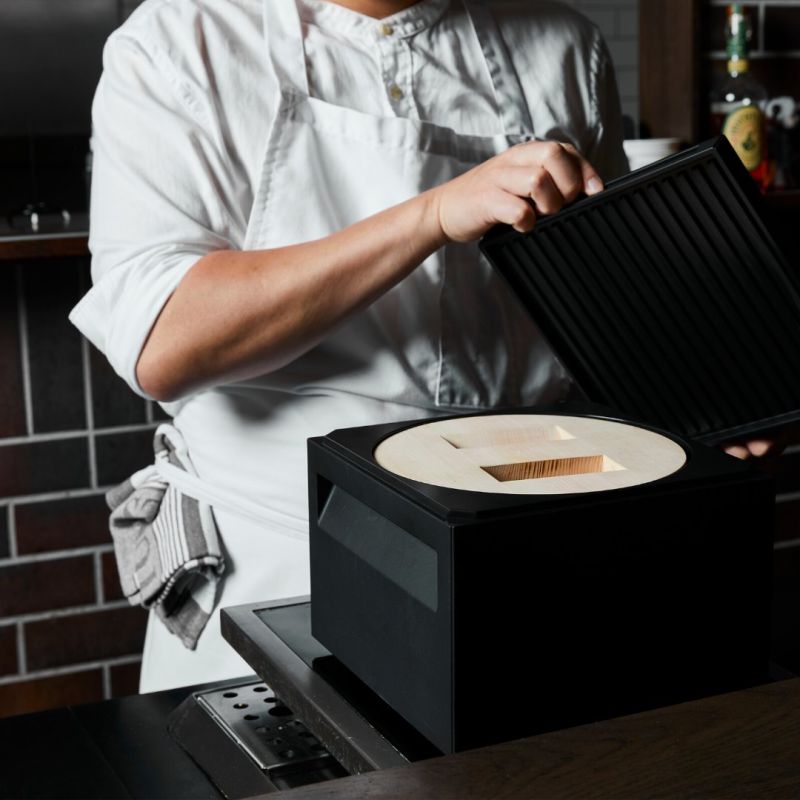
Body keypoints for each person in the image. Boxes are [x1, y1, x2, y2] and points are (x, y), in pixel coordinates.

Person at [70, 0, 776, 693]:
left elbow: (598, 305)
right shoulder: (180, 42)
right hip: (280, 569)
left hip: (527, 556)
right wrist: (430, 215)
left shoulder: (565, 47)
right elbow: (161, 340)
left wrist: (684, 418)